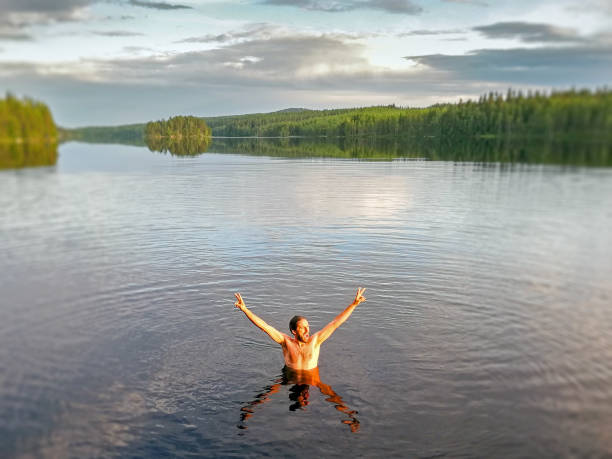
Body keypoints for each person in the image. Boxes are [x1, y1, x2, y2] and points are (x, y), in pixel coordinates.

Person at [233, 287, 366, 371]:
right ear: (294, 331)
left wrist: (353, 304)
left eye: (308, 327)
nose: (308, 330)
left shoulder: (316, 341)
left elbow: (335, 323)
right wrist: (245, 309)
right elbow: (264, 326)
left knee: (329, 394)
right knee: (267, 396)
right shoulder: (286, 342)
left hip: (312, 382)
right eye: (303, 328)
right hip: (289, 380)